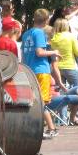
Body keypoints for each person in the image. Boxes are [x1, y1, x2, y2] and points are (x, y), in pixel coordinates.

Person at [22, 9, 63, 139]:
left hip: (30, 70)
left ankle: (36, 128)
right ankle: (52, 128)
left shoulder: (26, 34)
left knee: (34, 102)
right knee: (41, 103)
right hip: (41, 70)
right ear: (46, 21)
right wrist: (54, 52)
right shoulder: (39, 33)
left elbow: (23, 56)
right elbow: (39, 52)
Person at [51, 17, 78, 89]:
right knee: (77, 90)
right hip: (69, 67)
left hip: (57, 69)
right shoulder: (70, 36)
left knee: (61, 91)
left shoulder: (53, 38)